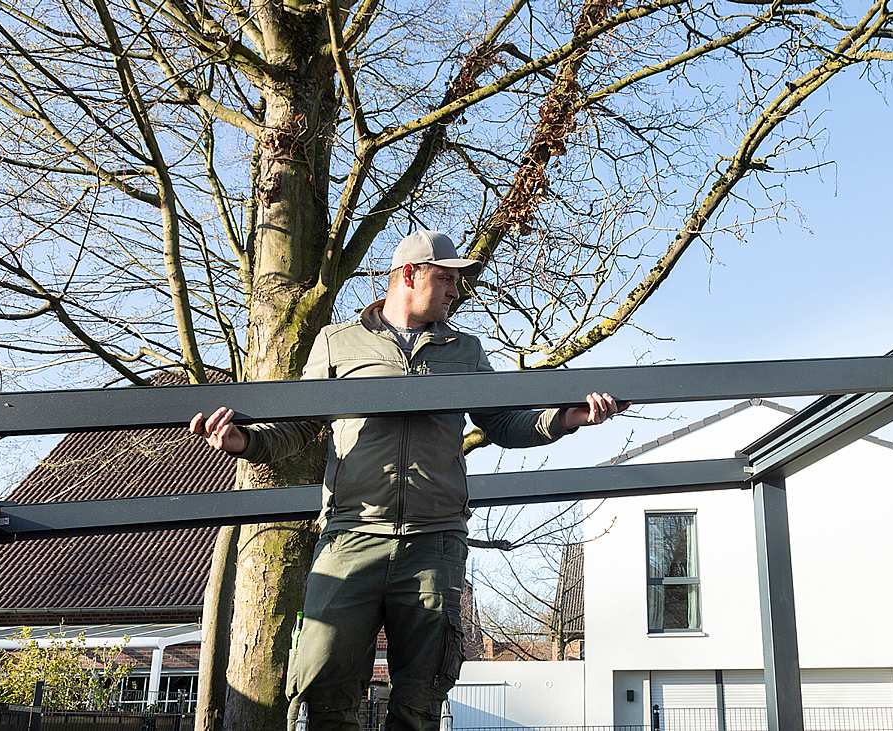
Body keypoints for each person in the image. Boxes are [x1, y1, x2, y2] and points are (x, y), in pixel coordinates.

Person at [189, 230, 624, 731]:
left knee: (420, 699)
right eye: (446, 279)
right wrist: (244, 442)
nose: (455, 293)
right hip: (351, 535)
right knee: (326, 688)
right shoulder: (338, 341)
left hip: (433, 541)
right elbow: (300, 425)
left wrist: (566, 419)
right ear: (409, 274)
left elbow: (502, 422)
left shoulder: (464, 351)